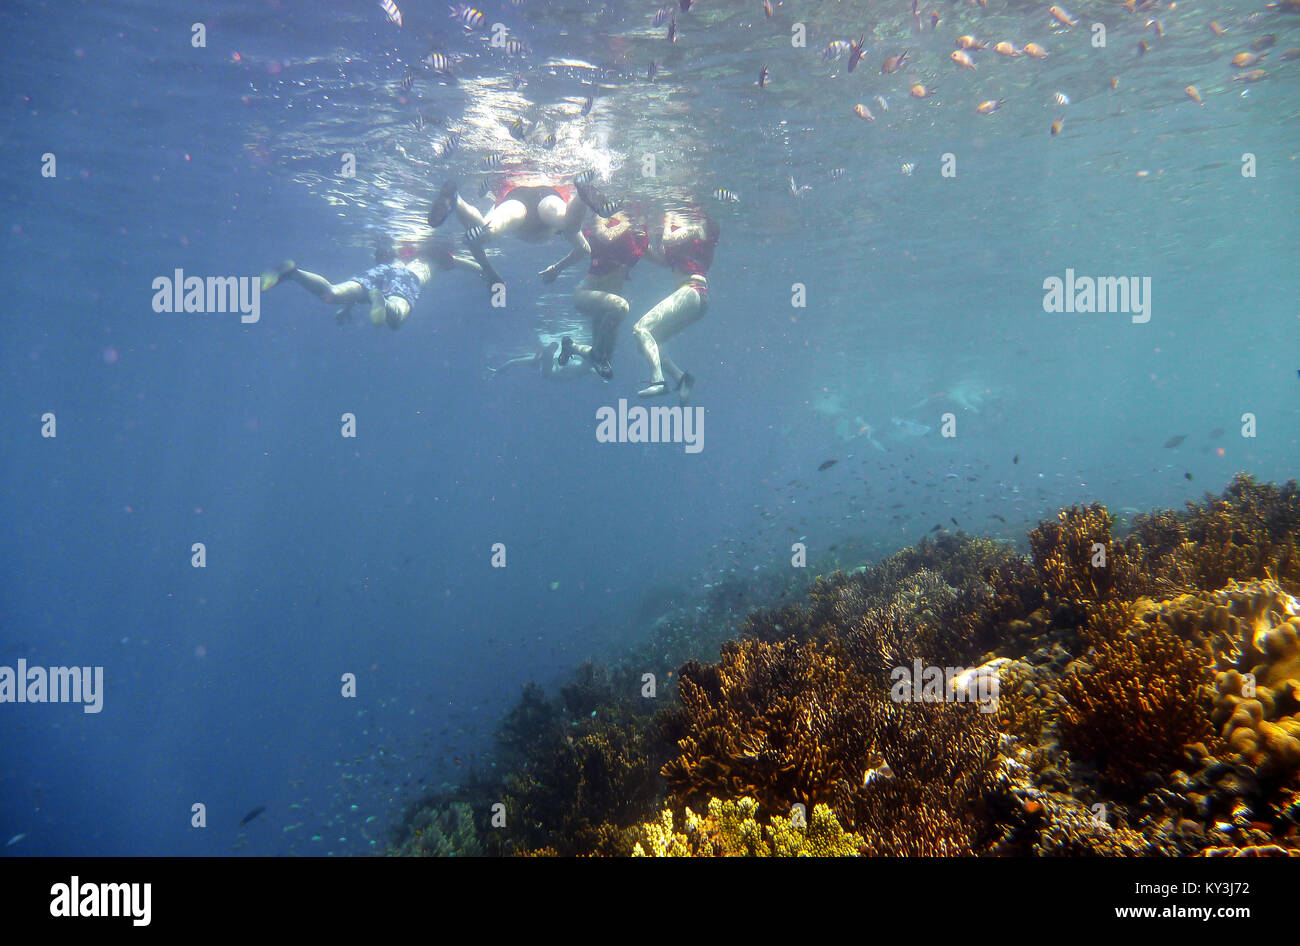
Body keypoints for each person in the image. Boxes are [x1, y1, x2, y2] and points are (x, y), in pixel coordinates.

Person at [425, 172, 617, 286]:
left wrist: (491, 273)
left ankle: (456, 199)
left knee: (484, 232)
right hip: (549, 196)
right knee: (568, 224)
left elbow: (475, 243)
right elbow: (584, 250)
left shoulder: (510, 208)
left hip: (516, 198)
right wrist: (557, 269)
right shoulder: (555, 225)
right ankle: (582, 195)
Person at [260, 235, 485, 330]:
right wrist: (487, 273)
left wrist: (347, 307)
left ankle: (293, 273)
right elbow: (466, 264)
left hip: (381, 270)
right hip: (407, 279)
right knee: (395, 318)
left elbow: (366, 291)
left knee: (333, 292)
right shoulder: (438, 257)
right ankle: (385, 304)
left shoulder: (400, 251)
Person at [631, 209, 719, 403]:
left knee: (641, 328)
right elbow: (661, 258)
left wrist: (668, 218)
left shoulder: (697, 225)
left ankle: (658, 381)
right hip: (692, 295)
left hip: (692, 290)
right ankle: (681, 378)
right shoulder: (684, 240)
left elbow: (669, 240)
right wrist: (641, 238)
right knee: (645, 342)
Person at [551, 210, 649, 381]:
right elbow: (604, 237)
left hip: (609, 302)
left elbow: (660, 259)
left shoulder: (639, 235)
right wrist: (628, 223)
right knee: (620, 306)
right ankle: (578, 353)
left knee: (602, 358)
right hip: (588, 293)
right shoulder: (604, 218)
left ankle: (571, 347)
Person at [486, 340, 587, 381]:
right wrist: (498, 371)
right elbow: (513, 362)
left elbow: (513, 362)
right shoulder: (537, 360)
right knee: (578, 372)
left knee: (578, 371)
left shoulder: (555, 361)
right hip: (555, 372)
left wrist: (498, 371)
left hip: (557, 372)